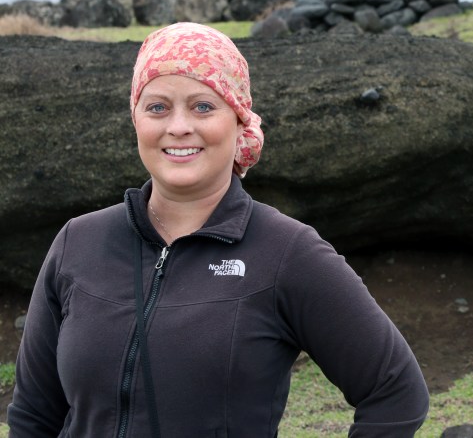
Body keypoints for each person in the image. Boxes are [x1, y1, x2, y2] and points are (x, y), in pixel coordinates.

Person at [8, 22, 429, 437]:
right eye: (157, 107)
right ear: (136, 119)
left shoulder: (287, 252)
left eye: (203, 106)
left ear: (239, 119)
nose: (178, 127)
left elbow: (396, 392)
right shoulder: (77, 242)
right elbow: (33, 415)